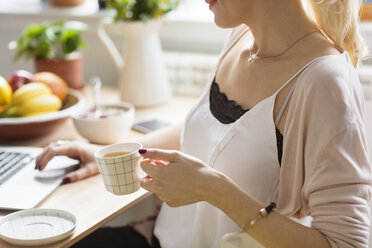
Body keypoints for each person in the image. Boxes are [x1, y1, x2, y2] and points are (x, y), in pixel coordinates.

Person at [36, 0, 372, 247]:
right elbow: (207, 133)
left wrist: (214, 189)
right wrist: (109, 154)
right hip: (157, 238)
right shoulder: (241, 36)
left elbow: (346, 243)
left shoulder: (323, 81)